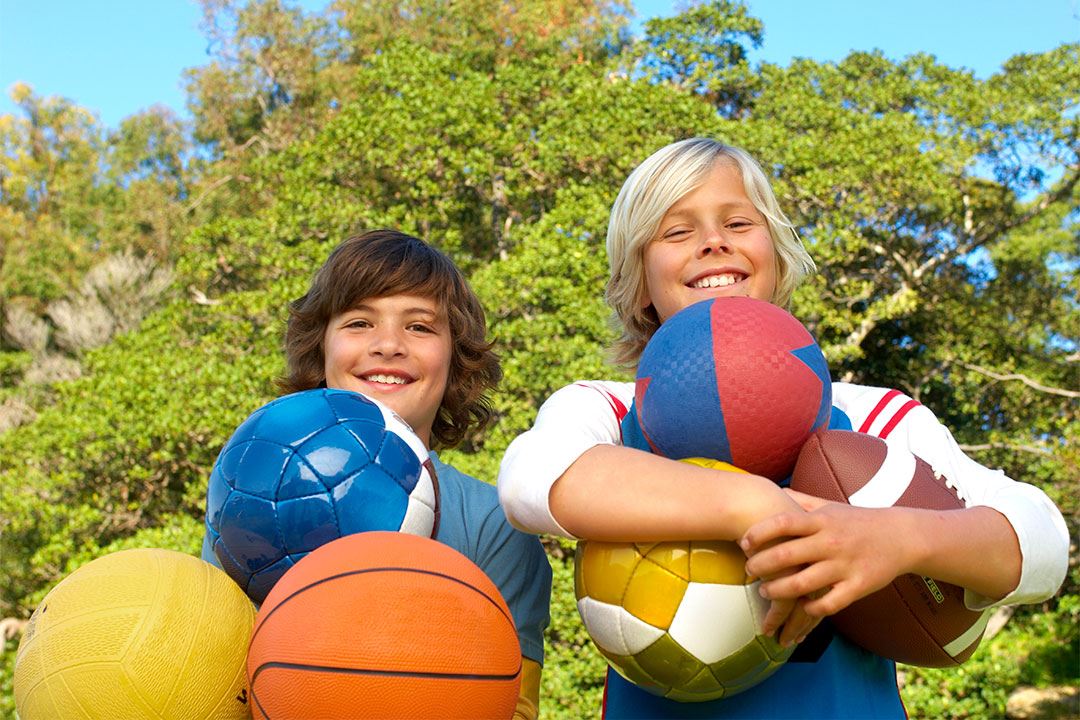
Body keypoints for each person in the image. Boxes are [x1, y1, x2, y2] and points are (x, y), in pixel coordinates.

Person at [497, 138, 1069, 718]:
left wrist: (897, 539)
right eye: (675, 232)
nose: (712, 242)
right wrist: (758, 506)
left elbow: (1044, 543)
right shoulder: (604, 409)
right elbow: (529, 479)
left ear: (775, 253)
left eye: (738, 222)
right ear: (640, 281)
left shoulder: (875, 417)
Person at [203, 229, 552, 720]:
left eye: (420, 327)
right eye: (360, 322)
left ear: (456, 360)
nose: (388, 345)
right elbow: (212, 686)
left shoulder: (495, 524)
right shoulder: (253, 487)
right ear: (319, 346)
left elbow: (508, 706)